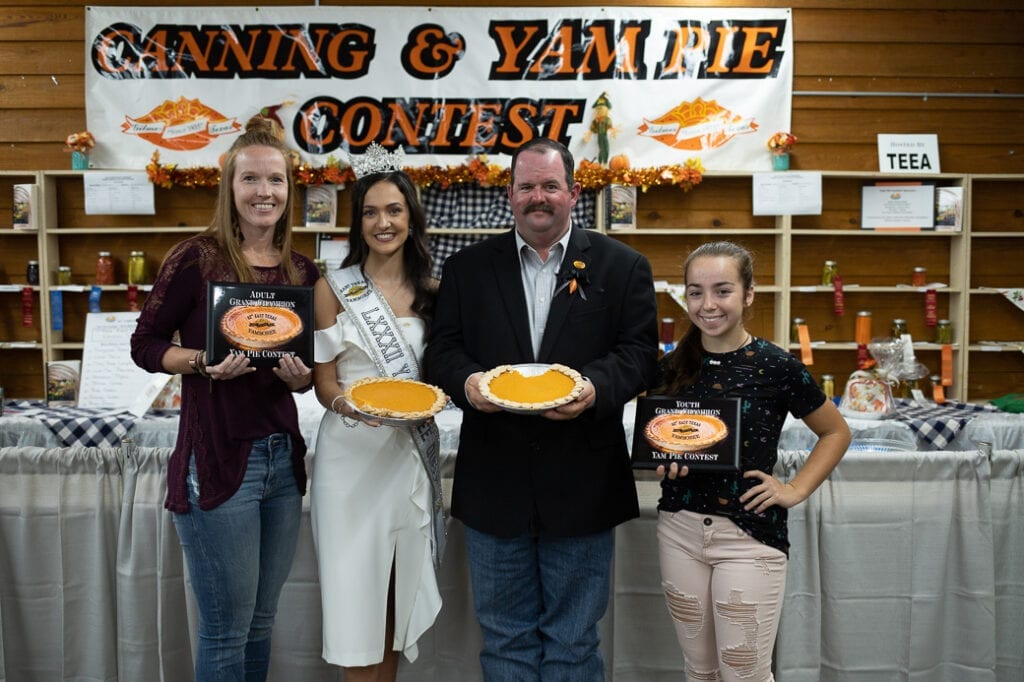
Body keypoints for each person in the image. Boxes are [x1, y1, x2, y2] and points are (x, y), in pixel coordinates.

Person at [424, 137, 659, 680]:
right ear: (509, 194)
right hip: (494, 484)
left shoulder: (623, 267)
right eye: (527, 185)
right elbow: (443, 351)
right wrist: (469, 382)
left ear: (574, 193)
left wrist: (594, 390)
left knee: (574, 642)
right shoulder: (467, 268)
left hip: (583, 483)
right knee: (505, 641)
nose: (538, 197)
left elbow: (640, 357)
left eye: (550, 185)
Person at [130, 116, 320, 681]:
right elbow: (145, 344)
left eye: (277, 181)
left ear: (290, 189)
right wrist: (200, 364)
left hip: (281, 464)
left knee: (262, 622)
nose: (265, 192)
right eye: (251, 180)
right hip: (215, 459)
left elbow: (311, 374)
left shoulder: (302, 270)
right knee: (225, 629)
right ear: (230, 189)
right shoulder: (195, 258)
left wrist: (300, 378)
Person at [650, 241, 851, 682]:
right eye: (695, 292)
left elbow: (835, 432)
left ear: (748, 294)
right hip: (679, 530)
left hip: (750, 535)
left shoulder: (776, 366)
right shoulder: (668, 367)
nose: (707, 305)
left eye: (722, 290)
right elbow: (663, 439)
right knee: (700, 671)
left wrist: (795, 489)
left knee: (744, 673)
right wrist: (666, 461)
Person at [310, 153, 443, 681]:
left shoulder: (435, 293)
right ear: (357, 221)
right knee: (354, 601)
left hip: (406, 454)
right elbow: (324, 384)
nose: (383, 223)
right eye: (370, 212)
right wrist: (352, 407)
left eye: (394, 210)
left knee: (392, 598)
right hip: (350, 458)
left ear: (411, 218)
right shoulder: (332, 288)